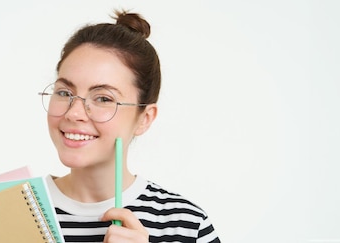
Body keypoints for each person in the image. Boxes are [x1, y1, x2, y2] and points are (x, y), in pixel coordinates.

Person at [39, 9, 221, 243]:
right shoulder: (6, 211)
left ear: (145, 118)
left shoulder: (186, 226)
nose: (74, 113)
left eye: (103, 98)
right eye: (65, 92)